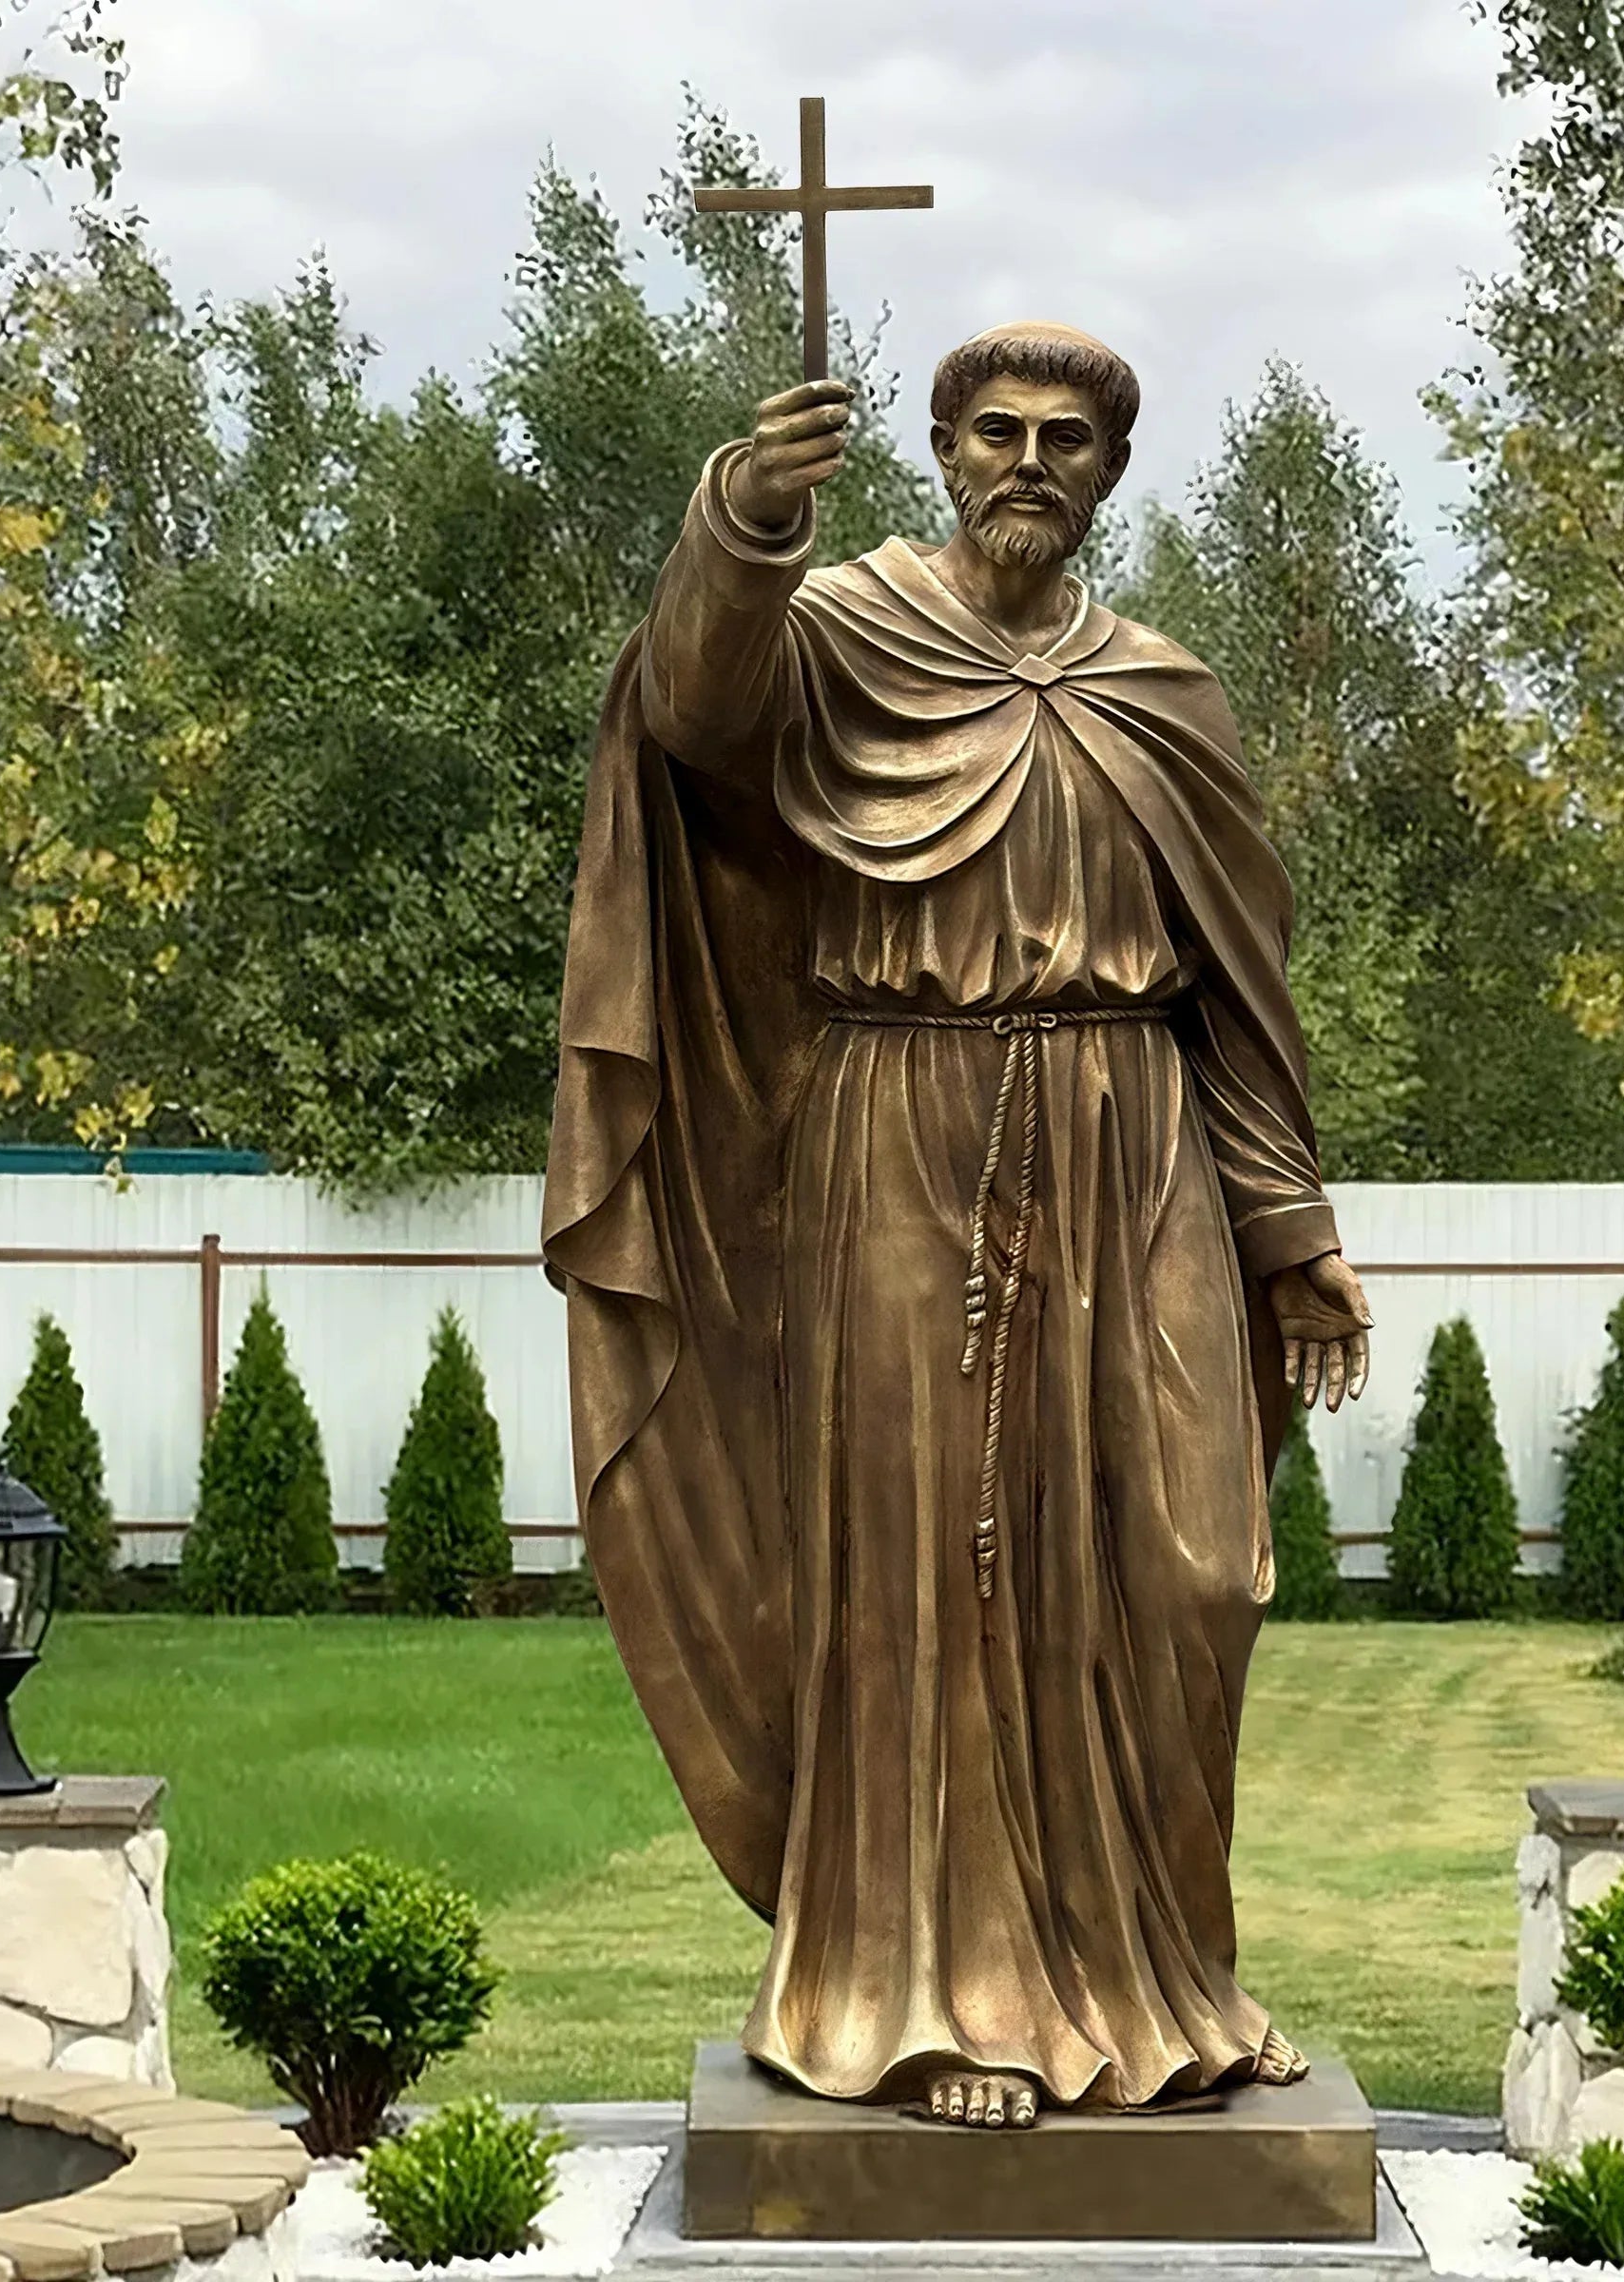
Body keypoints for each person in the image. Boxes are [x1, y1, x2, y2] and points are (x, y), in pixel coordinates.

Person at [544, 321, 1374, 2130]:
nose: (1029, 460)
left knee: (1190, 1567)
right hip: (895, 1123)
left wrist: (1286, 1226)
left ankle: (1166, 1978)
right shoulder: (840, 634)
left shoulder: (1165, 691)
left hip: (1131, 1129)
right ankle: (938, 1997)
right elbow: (688, 719)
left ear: (1110, 473)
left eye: (1068, 438)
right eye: (994, 429)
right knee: (932, 1567)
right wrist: (740, 527)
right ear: (936, 446)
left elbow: (1235, 991)